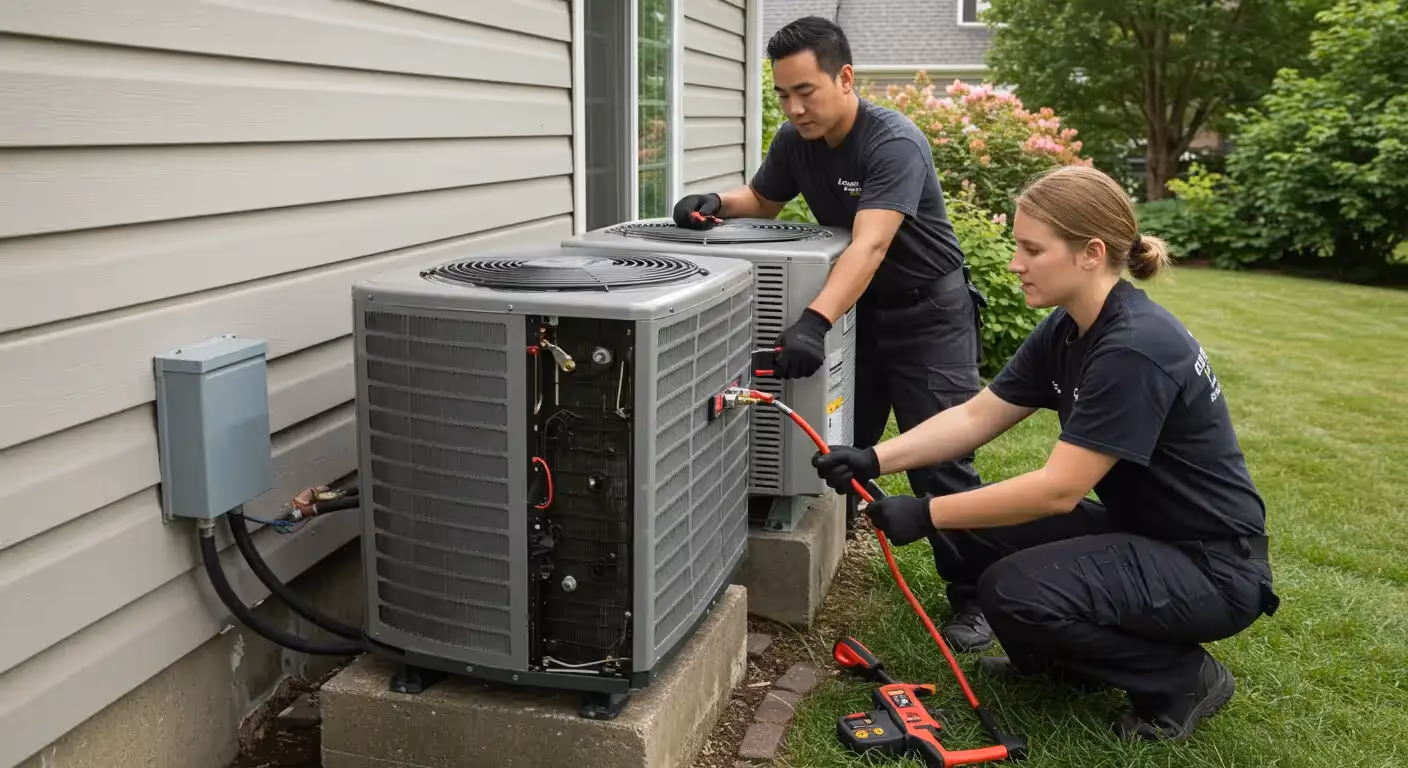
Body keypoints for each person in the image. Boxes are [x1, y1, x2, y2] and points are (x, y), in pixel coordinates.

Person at [811, 164, 1280, 742]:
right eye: (1017, 246)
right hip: (1145, 532)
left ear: (1090, 253)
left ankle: (1183, 678)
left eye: (1032, 249)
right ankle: (1067, 664)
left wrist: (925, 512)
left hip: (1212, 567)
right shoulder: (1070, 327)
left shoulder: (1133, 348)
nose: (1015, 263)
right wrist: (875, 459)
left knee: (1014, 588)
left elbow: (1059, 490)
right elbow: (978, 415)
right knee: (975, 527)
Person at [671, 16, 988, 605]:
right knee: (843, 437)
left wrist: (812, 324)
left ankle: (974, 598)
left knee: (940, 459)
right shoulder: (797, 140)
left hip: (930, 315)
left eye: (805, 91)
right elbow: (765, 198)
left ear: (845, 78)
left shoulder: (892, 142)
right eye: (783, 95)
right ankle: (846, 541)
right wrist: (717, 201)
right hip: (861, 309)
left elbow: (870, 244)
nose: (793, 108)